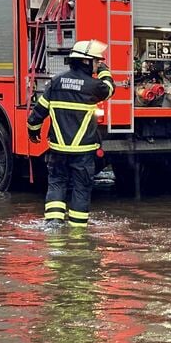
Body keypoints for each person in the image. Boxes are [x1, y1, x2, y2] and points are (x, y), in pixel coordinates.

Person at [28, 39, 115, 228]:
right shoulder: (93, 86)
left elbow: (37, 114)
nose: (97, 63)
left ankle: (53, 224)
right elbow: (109, 89)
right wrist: (104, 70)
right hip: (83, 153)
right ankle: (77, 235)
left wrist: (33, 132)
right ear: (85, 61)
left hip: (57, 151)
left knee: (57, 183)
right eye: (95, 61)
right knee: (81, 188)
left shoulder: (56, 82)